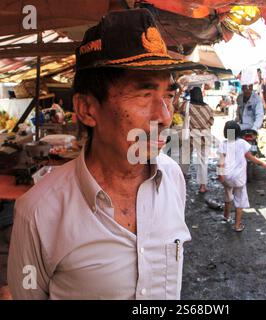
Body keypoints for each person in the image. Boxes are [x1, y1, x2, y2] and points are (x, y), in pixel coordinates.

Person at [7, 9, 204, 300]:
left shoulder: (172, 177)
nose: (165, 116)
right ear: (87, 109)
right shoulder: (37, 213)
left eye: (168, 94)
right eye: (144, 94)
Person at [217, 121, 266, 232]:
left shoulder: (223, 144)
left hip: (227, 176)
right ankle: (237, 225)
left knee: (227, 195)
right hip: (239, 178)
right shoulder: (242, 143)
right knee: (239, 200)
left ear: (226, 132)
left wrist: (220, 175)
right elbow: (250, 157)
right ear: (238, 132)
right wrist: (262, 163)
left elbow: (220, 162)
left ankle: (226, 216)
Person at [181, 87, 214, 193]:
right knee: (203, 161)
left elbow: (176, 108)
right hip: (205, 136)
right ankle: (202, 186)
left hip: (191, 135)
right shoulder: (208, 108)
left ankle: (181, 180)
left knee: (185, 157)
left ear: (191, 95)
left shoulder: (187, 105)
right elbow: (211, 122)